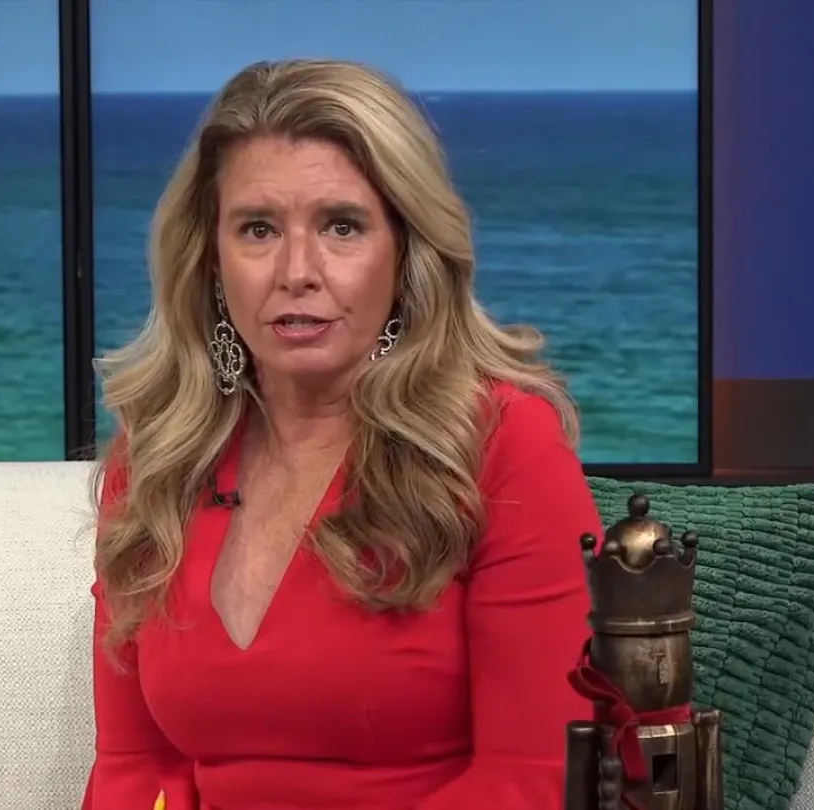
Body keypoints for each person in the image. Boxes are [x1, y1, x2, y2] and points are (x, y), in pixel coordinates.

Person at [83, 58, 604, 810]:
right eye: (258, 229)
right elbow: (137, 769)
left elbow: (535, 779)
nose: (298, 270)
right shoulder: (161, 460)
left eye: (342, 226)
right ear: (211, 259)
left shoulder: (503, 446)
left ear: (407, 250)